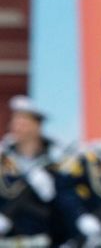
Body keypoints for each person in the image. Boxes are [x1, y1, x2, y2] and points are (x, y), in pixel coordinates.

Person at [0, 96, 64, 244]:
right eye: (15, 120)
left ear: (37, 125)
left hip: (43, 237)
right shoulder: (3, 155)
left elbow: (67, 202)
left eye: (23, 121)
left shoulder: (55, 157)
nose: (17, 126)